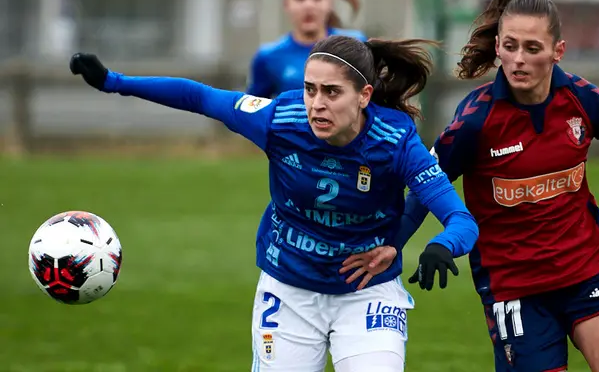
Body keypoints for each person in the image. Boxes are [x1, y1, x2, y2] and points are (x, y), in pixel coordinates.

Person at [342, 0, 599, 372]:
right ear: (497, 47)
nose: (518, 60)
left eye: (532, 48)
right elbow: (423, 191)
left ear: (556, 51)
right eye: (509, 46)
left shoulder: (584, 100)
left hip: (588, 270)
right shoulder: (475, 121)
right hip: (515, 287)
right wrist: (393, 245)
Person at [69, 34, 478, 372]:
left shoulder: (397, 144)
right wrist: (113, 81)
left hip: (366, 293)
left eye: (332, 92)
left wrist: (443, 245)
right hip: (288, 289)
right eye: (310, 89)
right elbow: (198, 96)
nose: (316, 103)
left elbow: (460, 218)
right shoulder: (280, 120)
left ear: (364, 96)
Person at [246, 0, 366, 98]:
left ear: (330, 3)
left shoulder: (356, 45)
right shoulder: (268, 57)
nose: (309, 5)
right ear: (287, 4)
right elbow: (253, 110)